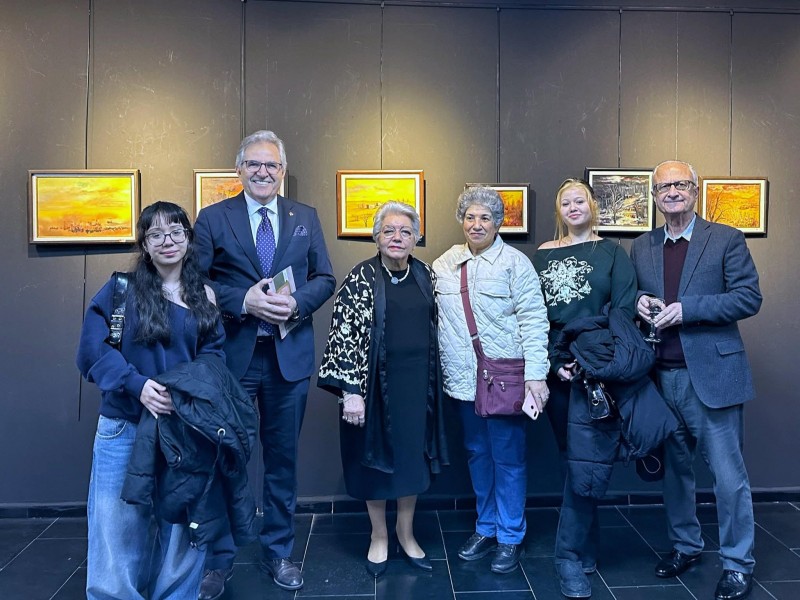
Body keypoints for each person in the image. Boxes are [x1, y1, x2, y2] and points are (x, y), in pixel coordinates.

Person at [193, 130, 336, 596]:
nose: (262, 172)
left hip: (287, 359)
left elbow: (324, 277)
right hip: (232, 357)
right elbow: (195, 281)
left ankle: (278, 551)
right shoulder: (214, 218)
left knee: (282, 461)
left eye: (271, 165)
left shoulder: (305, 217)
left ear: (282, 170)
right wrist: (243, 301)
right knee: (228, 457)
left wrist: (296, 305)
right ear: (239, 170)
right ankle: (219, 559)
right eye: (253, 164)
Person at [76, 201, 226, 599]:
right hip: (124, 424)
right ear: (144, 244)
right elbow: (92, 350)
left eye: (176, 231)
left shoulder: (205, 296)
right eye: (156, 234)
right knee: (117, 526)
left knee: (182, 528)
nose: (167, 241)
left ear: (188, 239)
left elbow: (214, 357)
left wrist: (184, 393)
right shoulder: (120, 289)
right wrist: (137, 385)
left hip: (184, 427)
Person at [630, 160, 762, 600]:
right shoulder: (642, 245)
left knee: (729, 478)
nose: (672, 192)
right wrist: (640, 301)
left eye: (680, 184)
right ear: (654, 196)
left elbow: (748, 298)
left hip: (712, 377)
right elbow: (630, 295)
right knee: (675, 474)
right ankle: (686, 546)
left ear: (695, 190)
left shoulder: (725, 238)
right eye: (663, 187)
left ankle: (738, 564)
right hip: (659, 377)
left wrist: (688, 310)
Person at [317, 202, 449, 578]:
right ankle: (379, 536)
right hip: (373, 386)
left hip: (417, 387)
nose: (397, 237)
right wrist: (351, 392)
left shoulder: (425, 275)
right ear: (376, 237)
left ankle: (406, 534)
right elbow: (343, 336)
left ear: (416, 238)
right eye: (389, 230)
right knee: (374, 462)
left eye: (405, 231)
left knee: (411, 461)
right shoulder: (361, 277)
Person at [433, 186, 550, 575]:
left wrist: (536, 376)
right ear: (461, 220)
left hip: (504, 380)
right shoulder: (444, 264)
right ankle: (486, 527)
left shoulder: (515, 263)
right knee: (477, 454)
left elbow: (534, 320)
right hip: (462, 383)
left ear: (499, 222)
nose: (477, 224)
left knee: (509, 458)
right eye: (470, 217)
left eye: (485, 217)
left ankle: (511, 535)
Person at [533, 179, 638, 598]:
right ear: (559, 210)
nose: (573, 207)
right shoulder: (543, 254)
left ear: (592, 206)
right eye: (566, 202)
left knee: (588, 458)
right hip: (556, 367)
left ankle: (570, 555)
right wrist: (554, 362)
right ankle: (584, 547)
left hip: (596, 366)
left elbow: (623, 310)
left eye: (580, 200)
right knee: (571, 458)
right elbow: (532, 313)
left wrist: (589, 357)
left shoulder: (612, 252)